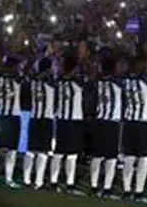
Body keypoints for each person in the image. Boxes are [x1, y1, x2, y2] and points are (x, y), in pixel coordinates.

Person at [121, 54, 147, 200]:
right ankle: (137, 191)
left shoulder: (125, 79)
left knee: (130, 157)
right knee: (143, 158)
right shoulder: (145, 79)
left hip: (130, 120)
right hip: (143, 122)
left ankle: (127, 190)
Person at [89, 55, 124, 197]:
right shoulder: (118, 82)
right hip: (111, 123)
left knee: (97, 156)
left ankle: (93, 186)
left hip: (99, 121)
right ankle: (107, 187)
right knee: (111, 157)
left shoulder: (97, 81)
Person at [52, 52, 85, 194]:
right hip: (73, 120)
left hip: (62, 119)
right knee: (70, 154)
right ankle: (68, 183)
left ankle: (55, 182)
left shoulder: (59, 79)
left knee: (60, 152)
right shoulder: (77, 81)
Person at [0, 54, 23, 187]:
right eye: (17, 66)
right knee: (4, 148)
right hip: (9, 116)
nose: (18, 68)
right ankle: (0, 176)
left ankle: (0, 176)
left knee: (3, 147)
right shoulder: (15, 78)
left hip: (5, 115)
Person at [21, 56, 55, 190]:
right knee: (42, 152)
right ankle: (39, 182)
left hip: (34, 118)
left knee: (31, 150)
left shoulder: (33, 81)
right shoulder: (51, 82)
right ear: (48, 69)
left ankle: (26, 180)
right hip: (46, 119)